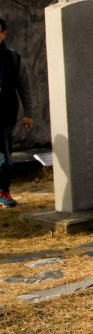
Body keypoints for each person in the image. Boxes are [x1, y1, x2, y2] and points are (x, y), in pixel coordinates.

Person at [0, 17, 34, 208]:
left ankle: (3, 191)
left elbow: (24, 87)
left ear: (4, 34)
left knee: (5, 158)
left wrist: (28, 113)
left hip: (5, 115)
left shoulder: (13, 58)